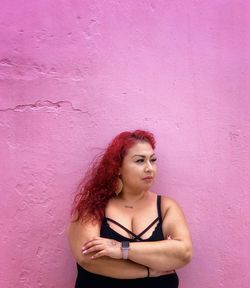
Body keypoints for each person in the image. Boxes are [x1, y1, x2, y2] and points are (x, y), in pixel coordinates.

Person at [67, 130, 192, 288]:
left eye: (152, 160)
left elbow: (184, 253)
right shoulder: (93, 206)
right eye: (140, 161)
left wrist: (122, 249)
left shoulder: (166, 207)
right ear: (117, 167)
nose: (149, 168)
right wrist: (148, 271)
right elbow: (89, 258)